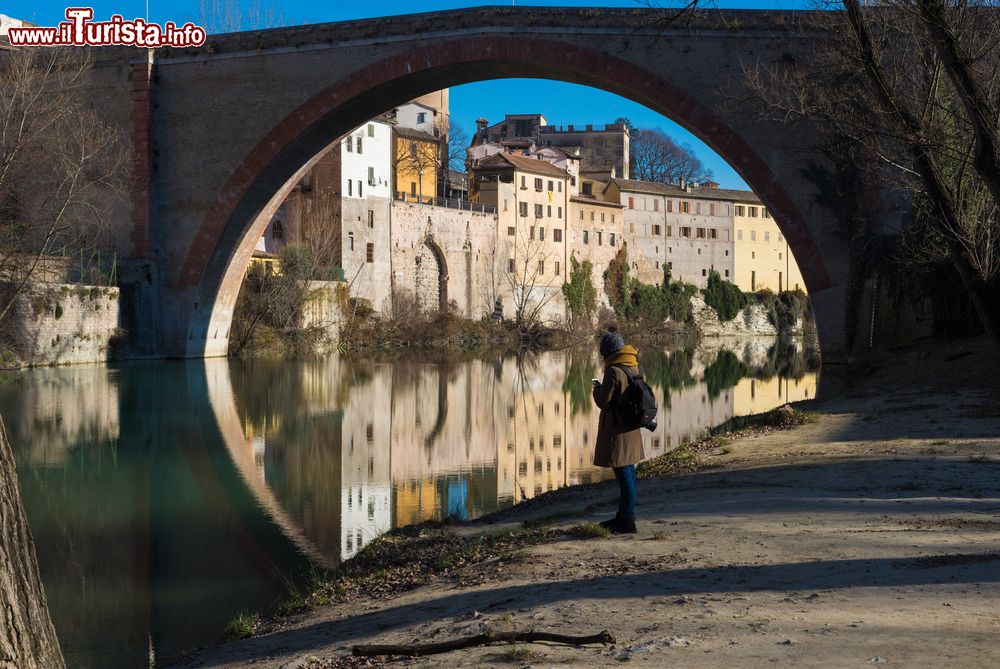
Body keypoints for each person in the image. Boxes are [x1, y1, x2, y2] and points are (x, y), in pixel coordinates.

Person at [592, 328, 645, 534]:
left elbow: (604, 402)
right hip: (631, 427)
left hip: (617, 430)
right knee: (629, 472)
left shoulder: (613, 371)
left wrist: (596, 390)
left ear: (608, 352)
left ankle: (627, 519)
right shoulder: (635, 367)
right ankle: (624, 515)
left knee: (623, 474)